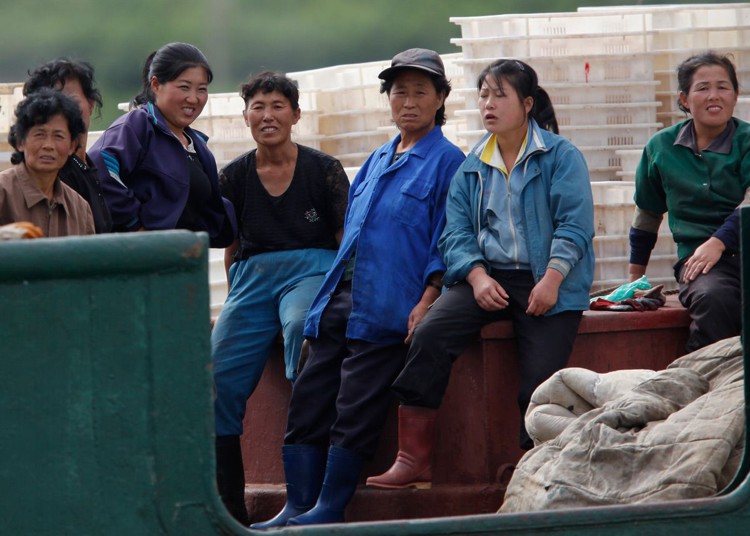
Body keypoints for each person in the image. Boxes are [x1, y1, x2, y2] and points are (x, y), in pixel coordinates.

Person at [249, 48, 465, 530]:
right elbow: (349, 234)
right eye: (399, 92)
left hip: (391, 303)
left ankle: (329, 507)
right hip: (341, 296)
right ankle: (297, 504)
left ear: (441, 99)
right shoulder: (377, 157)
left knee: (355, 405)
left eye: (420, 92)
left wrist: (428, 300)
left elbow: (447, 239)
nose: (407, 102)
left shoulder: (450, 162)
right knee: (308, 397)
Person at [366, 58, 595, 490]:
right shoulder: (473, 162)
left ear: (527, 104)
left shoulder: (560, 156)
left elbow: (576, 226)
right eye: (483, 95)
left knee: (539, 385)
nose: (488, 104)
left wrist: (552, 279)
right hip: (487, 277)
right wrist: (475, 277)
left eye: (499, 95)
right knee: (430, 336)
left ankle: (534, 471)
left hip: (551, 280)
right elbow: (454, 233)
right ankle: (414, 460)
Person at [211, 71, 349, 524]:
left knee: (299, 329)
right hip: (253, 278)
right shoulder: (231, 177)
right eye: (257, 106)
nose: (267, 115)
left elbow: (345, 239)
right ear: (245, 115)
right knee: (219, 374)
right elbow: (231, 248)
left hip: (312, 269)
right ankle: (230, 509)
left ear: (296, 114)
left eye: (277, 106)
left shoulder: (323, 169)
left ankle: (303, 495)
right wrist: (237, 302)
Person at [628, 51, 750, 353]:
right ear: (684, 99)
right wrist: (635, 279)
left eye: (723, 87)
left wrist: (719, 242)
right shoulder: (661, 147)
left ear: (736, 95)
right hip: (699, 265)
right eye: (703, 88)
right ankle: (705, 380)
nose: (714, 96)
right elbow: (647, 213)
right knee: (713, 298)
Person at [88, 42, 235, 246]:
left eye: (201, 89)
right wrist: (136, 225)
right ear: (156, 85)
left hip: (181, 261)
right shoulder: (138, 125)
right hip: (140, 258)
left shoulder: (198, 147)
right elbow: (99, 168)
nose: (193, 98)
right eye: (184, 87)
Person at [24, 58, 113, 233]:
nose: (64, 111)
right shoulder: (52, 171)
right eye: (54, 103)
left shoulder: (88, 164)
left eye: (71, 101)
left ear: (91, 103)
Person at [0, 89, 94, 237]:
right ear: (20, 142)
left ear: (72, 146)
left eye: (58, 136)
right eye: (39, 134)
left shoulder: (80, 208)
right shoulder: (3, 192)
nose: (48, 145)